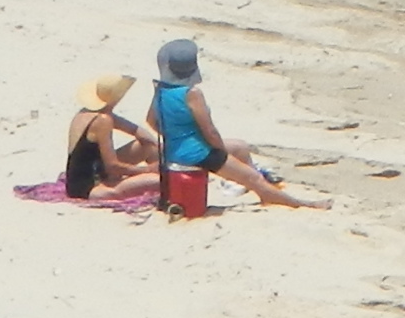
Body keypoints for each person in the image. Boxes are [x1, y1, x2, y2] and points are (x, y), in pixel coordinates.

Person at [148, 37, 327, 208]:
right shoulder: (192, 94)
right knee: (253, 178)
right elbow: (210, 131)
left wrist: (176, 137)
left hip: (174, 149)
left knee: (240, 147)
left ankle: (250, 181)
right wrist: (220, 150)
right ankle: (297, 202)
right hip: (197, 154)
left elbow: (151, 121)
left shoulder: (161, 90)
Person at [60, 74, 159, 202]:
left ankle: (156, 171)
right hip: (88, 186)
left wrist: (153, 147)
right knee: (159, 181)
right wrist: (145, 170)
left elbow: (138, 132)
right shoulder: (102, 121)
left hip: (90, 172)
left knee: (148, 147)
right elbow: (112, 166)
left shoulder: (87, 113)